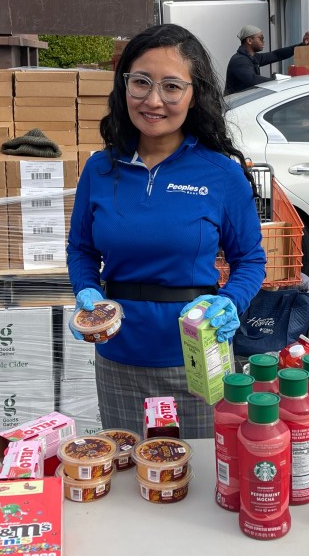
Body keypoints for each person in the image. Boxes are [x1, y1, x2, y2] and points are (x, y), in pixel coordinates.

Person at [66, 23, 267, 438]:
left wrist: (230, 301)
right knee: (128, 477)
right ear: (124, 87)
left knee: (206, 475)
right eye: (141, 82)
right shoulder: (99, 169)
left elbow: (250, 259)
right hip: (119, 355)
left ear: (194, 95)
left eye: (172, 86)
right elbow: (82, 250)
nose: (153, 100)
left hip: (197, 357)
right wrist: (87, 293)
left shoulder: (221, 173)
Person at [223, 25, 309, 95]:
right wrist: (278, 81)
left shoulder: (252, 57)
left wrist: (301, 45)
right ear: (249, 40)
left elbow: (276, 55)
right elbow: (253, 80)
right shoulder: (239, 61)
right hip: (234, 109)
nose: (263, 41)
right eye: (261, 38)